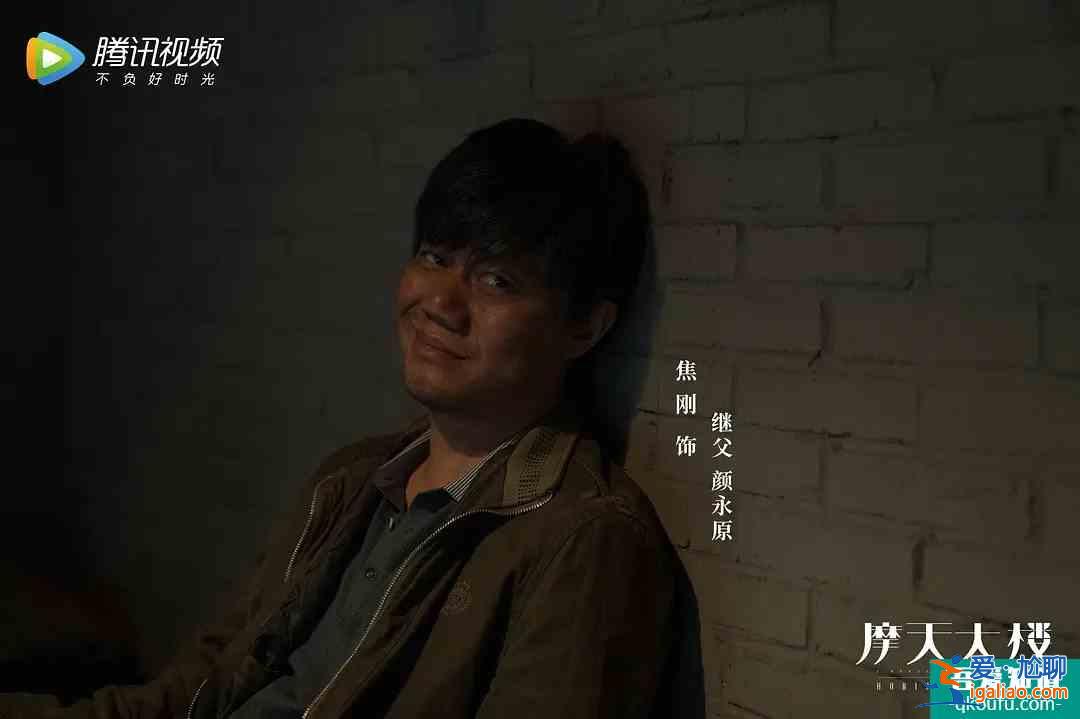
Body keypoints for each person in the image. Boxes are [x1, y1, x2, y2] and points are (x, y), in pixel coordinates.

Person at [3, 118, 705, 719]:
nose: (441, 304)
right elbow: (197, 691)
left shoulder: (583, 541)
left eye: (497, 280)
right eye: (434, 257)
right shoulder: (350, 482)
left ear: (584, 326)